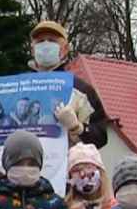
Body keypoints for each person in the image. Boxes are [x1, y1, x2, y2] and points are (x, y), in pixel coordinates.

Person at [27, 20, 109, 148]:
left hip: (67, 165)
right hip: (28, 165)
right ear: (32, 50)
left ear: (65, 49)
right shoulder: (19, 87)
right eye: (40, 41)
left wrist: (78, 127)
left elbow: (101, 137)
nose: (46, 44)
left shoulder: (81, 90)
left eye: (52, 40)